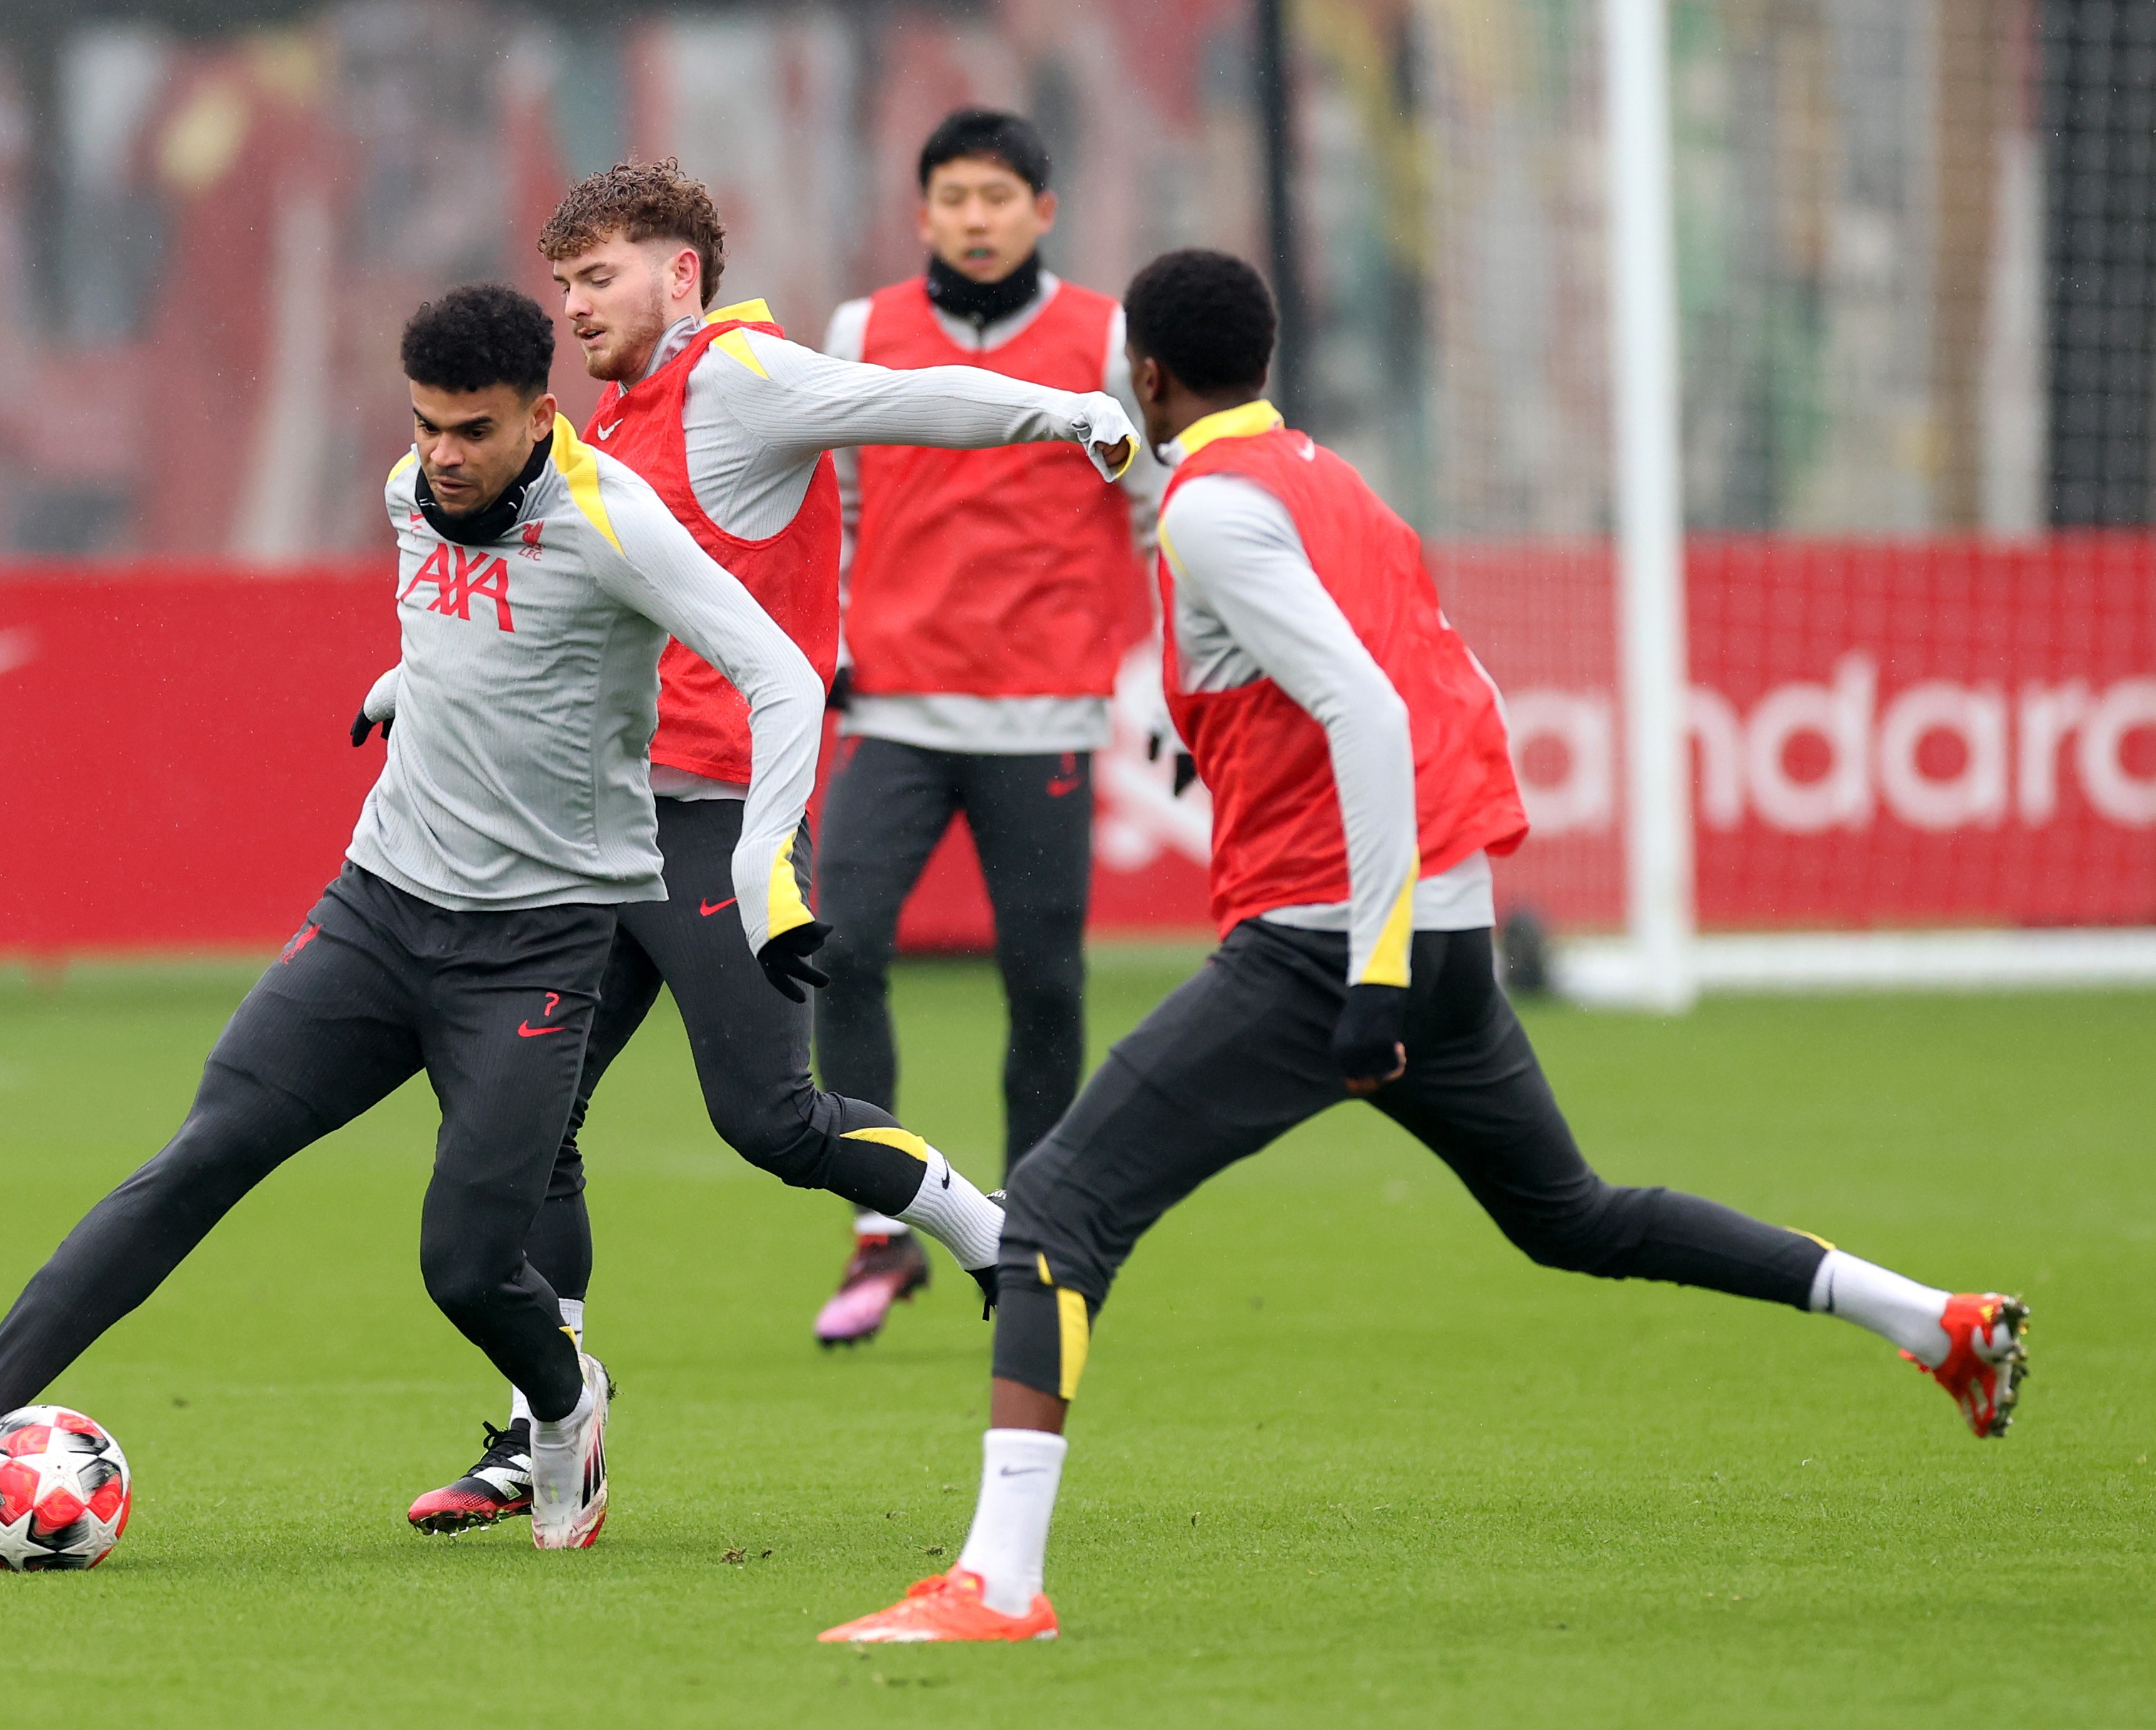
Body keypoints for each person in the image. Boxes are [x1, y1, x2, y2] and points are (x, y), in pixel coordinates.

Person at [818, 250, 2031, 1643]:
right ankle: (1931, 1320)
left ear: (1143, 374)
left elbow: (1376, 717)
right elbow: (1448, 684)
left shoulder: (1208, 507)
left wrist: (1371, 974)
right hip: (1443, 930)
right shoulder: (1333, 480)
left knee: (1057, 1210)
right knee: (1572, 1217)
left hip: (1329, 950)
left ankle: (1002, 1585)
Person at [0, 283, 831, 1553]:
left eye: (473, 431)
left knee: (467, 1269)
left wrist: (766, 860)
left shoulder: (613, 522)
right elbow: (461, 649)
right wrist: (397, 690)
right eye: (426, 424)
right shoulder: (403, 494)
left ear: (542, 418)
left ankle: (565, 1410)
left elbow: (780, 674)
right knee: (200, 1157)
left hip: (536, 950)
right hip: (379, 913)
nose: (441, 454)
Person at [388, 159, 1144, 1532]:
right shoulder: (607, 423)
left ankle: (1000, 1244)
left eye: (598, 277)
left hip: (716, 818)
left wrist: (1070, 411)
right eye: (561, 285)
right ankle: (540, 1423)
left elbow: (911, 399)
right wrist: (409, 685)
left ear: (681, 275)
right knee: (531, 1122)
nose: (573, 307)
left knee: (768, 1120)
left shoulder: (739, 379)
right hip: (598, 825)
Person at [815, 109, 1164, 1344]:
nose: (975, 217)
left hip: (1042, 714)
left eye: (997, 197)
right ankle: (880, 1228)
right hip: (896, 709)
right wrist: (836, 643)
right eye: (953, 196)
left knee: (1044, 983)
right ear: (921, 213)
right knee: (836, 949)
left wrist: (1163, 680)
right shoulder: (862, 332)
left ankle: (1036, 1229)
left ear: (1041, 213)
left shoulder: (1108, 341)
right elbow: (837, 502)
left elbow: (1155, 517)